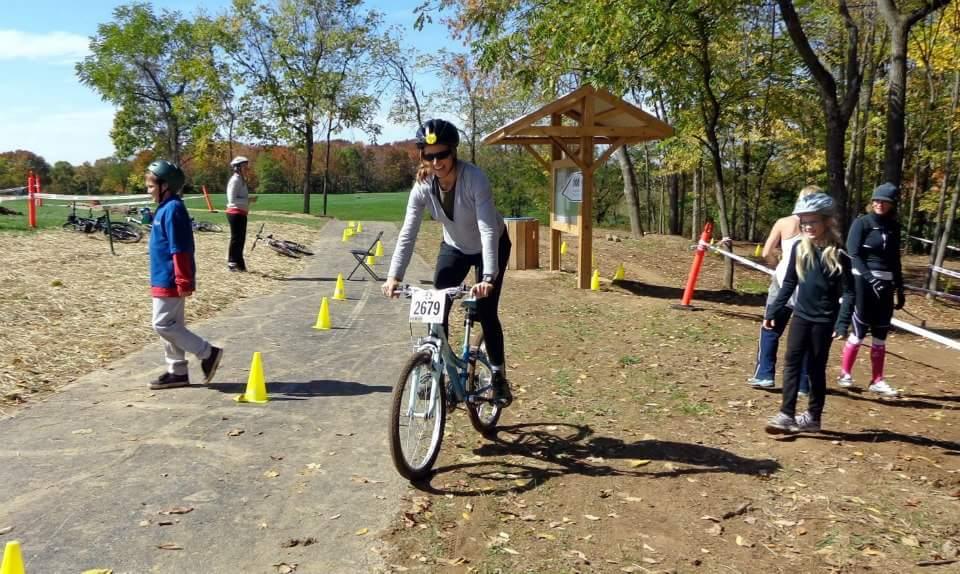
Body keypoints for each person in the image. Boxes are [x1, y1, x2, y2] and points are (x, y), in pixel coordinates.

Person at [381, 119, 514, 406]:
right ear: (422, 156)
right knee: (437, 302)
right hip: (454, 246)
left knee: (487, 310)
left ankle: (499, 377)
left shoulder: (474, 178)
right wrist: (393, 276)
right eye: (429, 156)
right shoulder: (423, 187)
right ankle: (434, 368)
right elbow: (408, 232)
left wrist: (488, 277)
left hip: (491, 245)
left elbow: (487, 228)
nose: (436, 161)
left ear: (454, 152)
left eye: (442, 154)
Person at [764, 192, 854, 434]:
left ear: (826, 221)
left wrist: (842, 323)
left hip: (824, 320)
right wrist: (773, 309)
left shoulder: (839, 254)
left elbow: (849, 292)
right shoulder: (799, 249)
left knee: (815, 368)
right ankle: (786, 414)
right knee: (791, 362)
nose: (807, 226)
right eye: (803, 222)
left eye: (812, 221)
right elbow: (789, 284)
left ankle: (813, 416)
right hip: (801, 316)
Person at [146, 159, 223, 389]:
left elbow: (180, 248)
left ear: (165, 185)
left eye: (151, 185)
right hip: (161, 277)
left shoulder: (173, 209)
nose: (147, 190)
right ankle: (177, 371)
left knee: (162, 325)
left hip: (170, 278)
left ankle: (207, 352)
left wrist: (183, 279)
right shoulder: (164, 208)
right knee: (171, 325)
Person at [747, 185, 820, 394]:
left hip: (783, 282)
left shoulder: (784, 223)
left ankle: (764, 375)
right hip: (809, 284)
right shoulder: (822, 227)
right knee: (806, 333)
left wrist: (776, 263)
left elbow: (767, 251)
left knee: (769, 328)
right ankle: (803, 384)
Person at [835, 182, 905, 397]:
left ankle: (877, 380)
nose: (879, 204)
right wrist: (868, 278)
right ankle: (845, 373)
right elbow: (853, 254)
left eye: (884, 201)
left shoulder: (893, 227)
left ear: (891, 204)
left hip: (886, 282)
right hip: (864, 281)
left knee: (881, 331)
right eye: (876, 200)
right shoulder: (862, 223)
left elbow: (895, 259)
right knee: (860, 328)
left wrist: (900, 288)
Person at [226, 156, 256, 272]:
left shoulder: (241, 179)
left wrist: (247, 200)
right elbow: (231, 200)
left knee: (241, 239)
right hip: (235, 212)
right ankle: (232, 262)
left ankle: (239, 263)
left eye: (246, 166)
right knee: (236, 238)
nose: (246, 168)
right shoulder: (235, 180)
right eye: (244, 166)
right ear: (237, 168)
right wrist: (248, 200)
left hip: (241, 212)